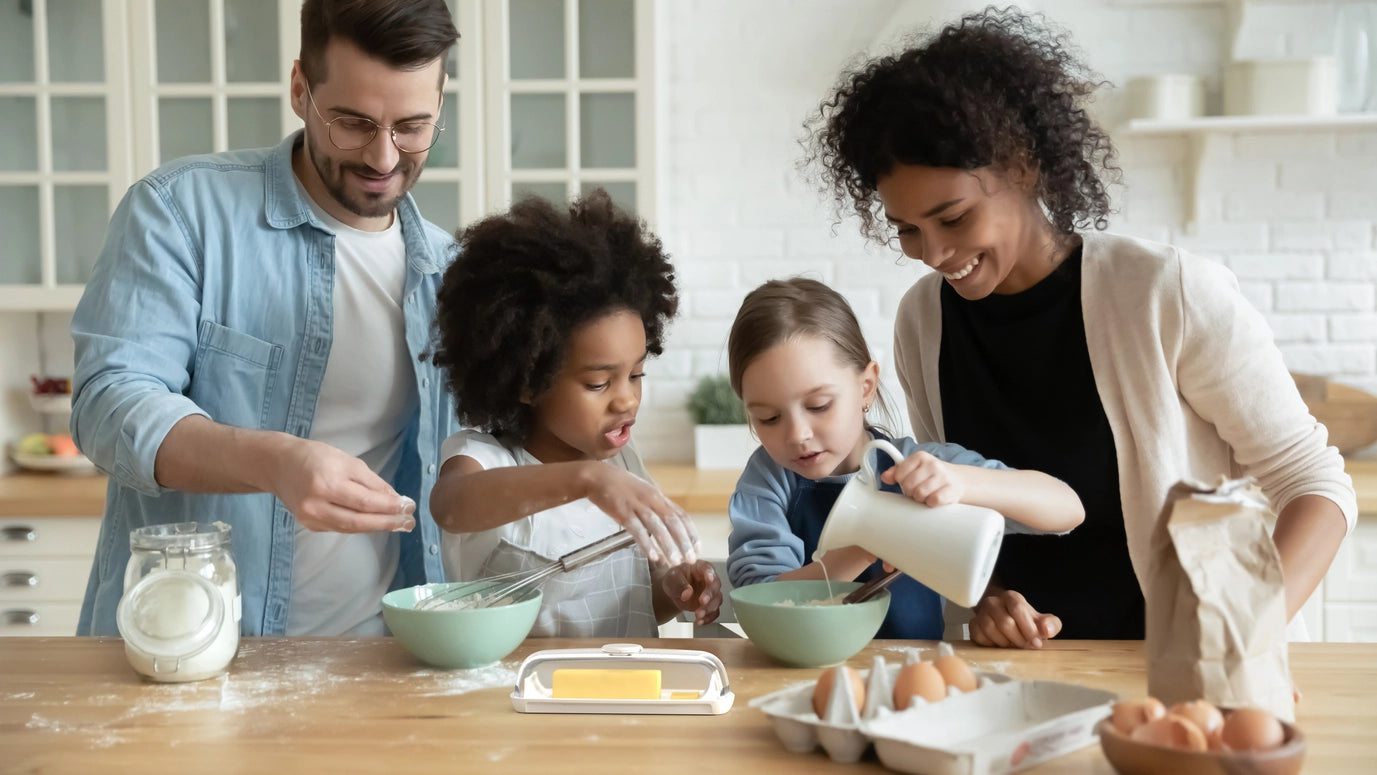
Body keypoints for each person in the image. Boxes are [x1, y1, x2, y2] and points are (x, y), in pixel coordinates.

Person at [805, 8, 1357, 646]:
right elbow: (954, 507)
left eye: (952, 218)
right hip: (1025, 672)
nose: (931, 253)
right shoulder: (921, 320)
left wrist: (1241, 640)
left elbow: (1312, 482)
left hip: (1183, 671)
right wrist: (985, 599)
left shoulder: (1163, 293)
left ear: (1022, 166)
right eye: (907, 230)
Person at [71, 0, 462, 637]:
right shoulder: (181, 213)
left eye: (412, 127)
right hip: (189, 659)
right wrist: (275, 463)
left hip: (381, 667)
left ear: (440, 101)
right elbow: (109, 407)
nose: (385, 159)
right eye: (353, 123)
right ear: (300, 88)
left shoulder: (451, 275)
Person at [427, 191, 720, 637]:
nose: (627, 400)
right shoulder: (484, 459)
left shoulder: (624, 465)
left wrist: (675, 591)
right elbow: (450, 507)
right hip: (513, 702)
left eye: (636, 375)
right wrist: (586, 479)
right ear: (527, 381)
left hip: (619, 696)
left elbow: (635, 603)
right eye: (599, 383)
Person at [724, 277, 1084, 639]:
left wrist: (964, 482)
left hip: (913, 676)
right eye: (769, 418)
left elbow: (1067, 509)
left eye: (819, 405)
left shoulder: (918, 467)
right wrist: (866, 544)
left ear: (866, 387)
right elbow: (762, 598)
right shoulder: (768, 481)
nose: (797, 434)